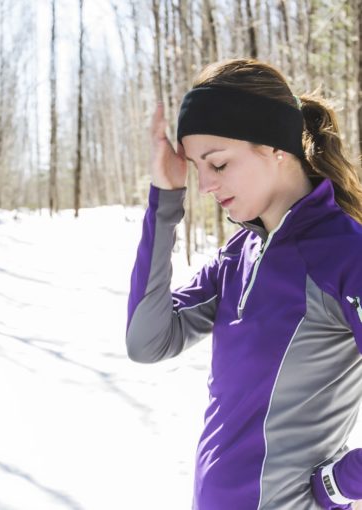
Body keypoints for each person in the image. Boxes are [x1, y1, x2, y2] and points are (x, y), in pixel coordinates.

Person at [125, 58, 362, 510]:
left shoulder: (344, 255)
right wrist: (164, 198)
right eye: (196, 167)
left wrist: (340, 483)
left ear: (273, 145)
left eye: (217, 164)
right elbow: (146, 341)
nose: (204, 185)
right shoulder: (239, 256)